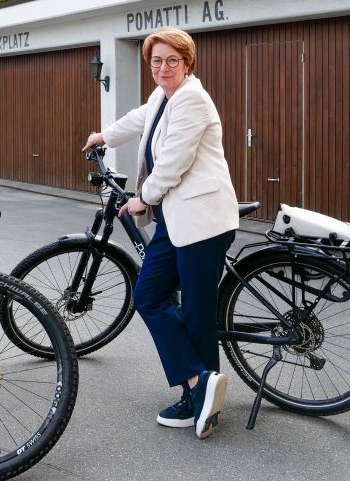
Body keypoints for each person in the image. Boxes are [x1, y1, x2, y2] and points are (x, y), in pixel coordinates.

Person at [82, 27, 238, 439]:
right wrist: (103, 135)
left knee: (197, 313)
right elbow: (139, 119)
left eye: (172, 60)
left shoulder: (193, 100)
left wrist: (140, 198)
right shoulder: (163, 96)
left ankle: (200, 400)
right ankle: (198, 382)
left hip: (202, 221)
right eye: (156, 61)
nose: (163, 67)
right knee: (149, 295)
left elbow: (172, 163)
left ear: (187, 63)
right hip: (175, 220)